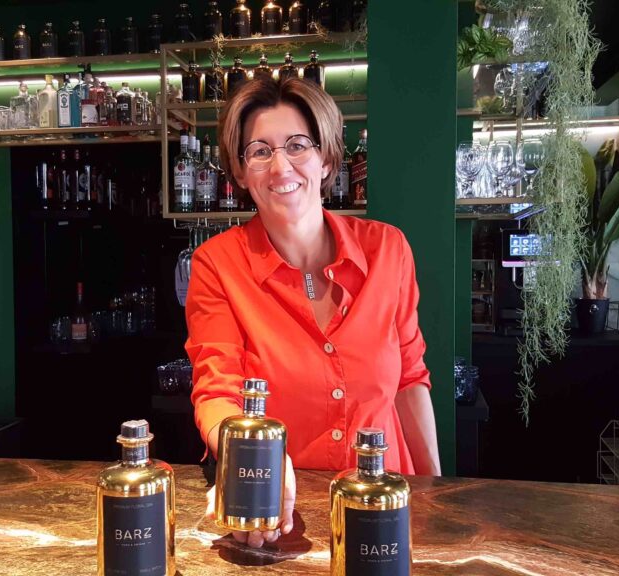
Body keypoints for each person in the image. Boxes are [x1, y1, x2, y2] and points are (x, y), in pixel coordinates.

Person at [185, 76, 440, 548]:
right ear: (240, 173)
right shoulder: (217, 265)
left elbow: (409, 379)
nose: (280, 165)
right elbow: (217, 390)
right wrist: (251, 463)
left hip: (385, 510)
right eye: (259, 151)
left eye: (298, 145)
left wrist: (437, 493)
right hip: (281, 515)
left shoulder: (388, 250)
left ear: (326, 159)